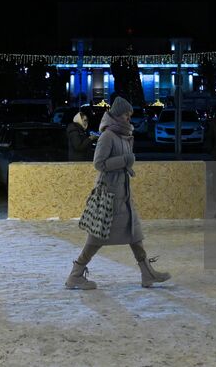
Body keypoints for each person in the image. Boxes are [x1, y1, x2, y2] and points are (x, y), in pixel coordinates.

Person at [65, 97, 172, 290]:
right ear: (116, 114)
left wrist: (126, 163)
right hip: (109, 193)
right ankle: (76, 274)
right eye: (126, 115)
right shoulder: (108, 136)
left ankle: (147, 273)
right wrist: (125, 160)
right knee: (97, 238)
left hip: (123, 191)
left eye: (130, 115)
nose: (129, 118)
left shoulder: (122, 135)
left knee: (134, 233)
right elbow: (99, 164)